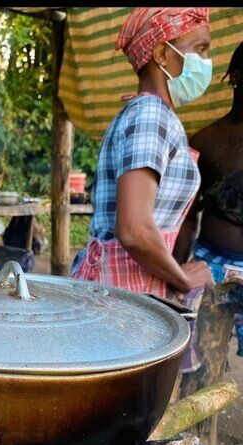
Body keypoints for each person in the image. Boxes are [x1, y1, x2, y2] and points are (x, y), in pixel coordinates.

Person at [72, 7, 214, 298]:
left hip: (124, 289)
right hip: (123, 294)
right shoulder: (151, 115)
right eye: (199, 49)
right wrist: (183, 280)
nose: (206, 62)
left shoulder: (148, 114)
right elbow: (134, 229)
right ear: (161, 53)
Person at [174, 41, 243, 355]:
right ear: (236, 77)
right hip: (211, 264)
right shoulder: (205, 140)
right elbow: (186, 215)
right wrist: (175, 270)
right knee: (202, 358)